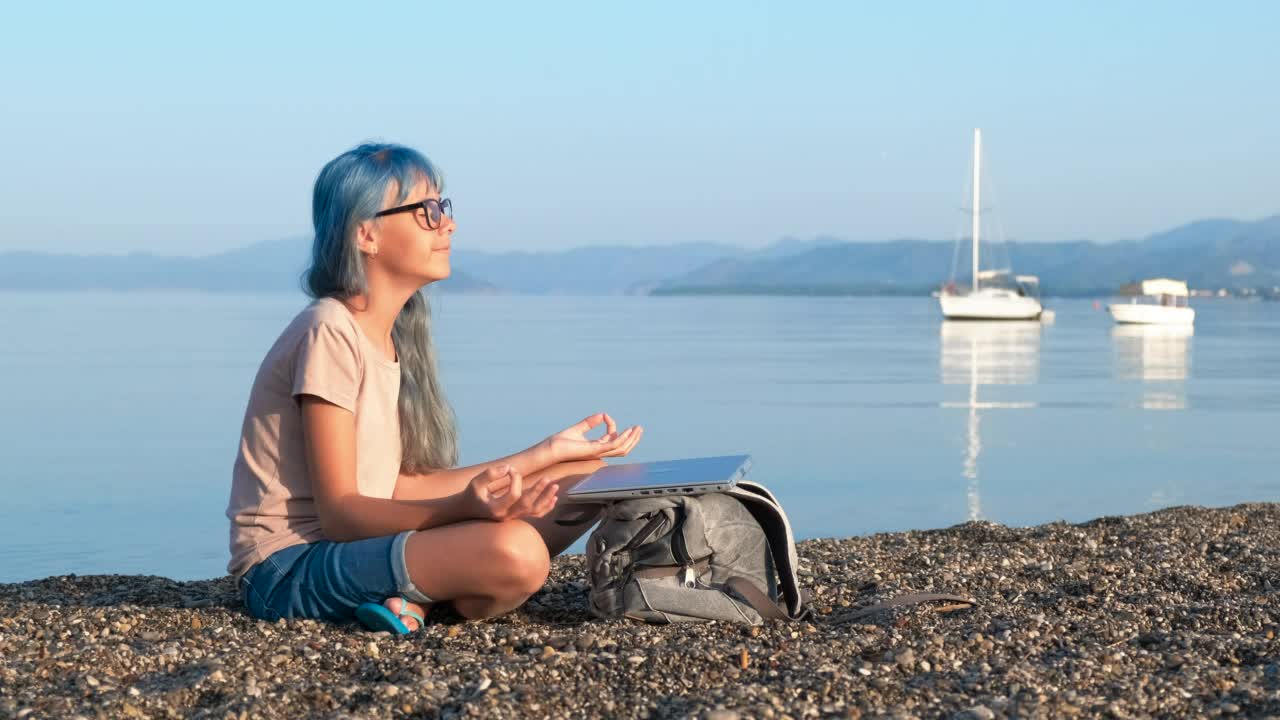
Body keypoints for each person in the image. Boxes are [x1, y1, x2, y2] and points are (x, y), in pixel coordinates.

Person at [225, 142, 643, 632]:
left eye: (443, 207)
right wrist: (465, 509)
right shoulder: (329, 330)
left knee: (587, 478)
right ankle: (437, 591)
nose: (448, 223)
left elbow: (399, 488)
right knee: (520, 552)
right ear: (366, 234)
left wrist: (548, 454)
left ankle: (420, 595)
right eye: (426, 211)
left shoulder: (388, 334)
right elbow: (340, 515)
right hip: (289, 567)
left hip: (354, 548)